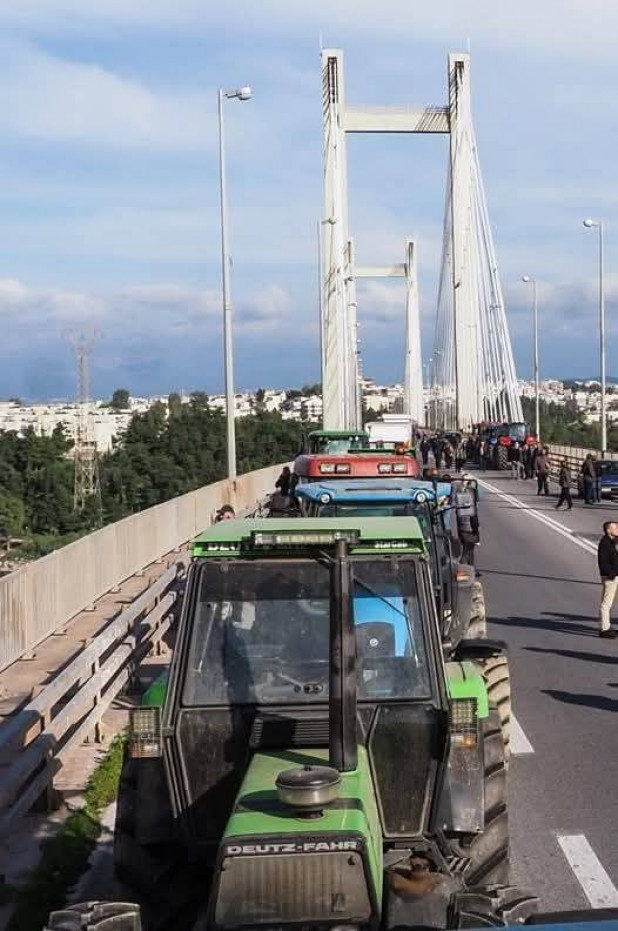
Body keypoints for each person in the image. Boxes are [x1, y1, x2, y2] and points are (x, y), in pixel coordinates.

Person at [597, 521, 618, 638]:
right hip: (610, 577)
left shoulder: (611, 540)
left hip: (614, 576)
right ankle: (604, 629)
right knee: (606, 603)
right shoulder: (605, 543)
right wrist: (612, 574)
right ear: (608, 530)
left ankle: (607, 626)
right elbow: (603, 562)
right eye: (616, 528)